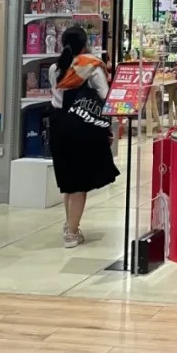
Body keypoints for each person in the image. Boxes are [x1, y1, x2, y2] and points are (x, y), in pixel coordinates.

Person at [47, 26, 119, 249]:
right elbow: (104, 96)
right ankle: (71, 233)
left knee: (68, 181)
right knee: (80, 183)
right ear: (85, 44)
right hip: (81, 125)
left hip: (58, 124)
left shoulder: (54, 68)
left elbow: (56, 96)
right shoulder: (91, 66)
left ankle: (69, 225)